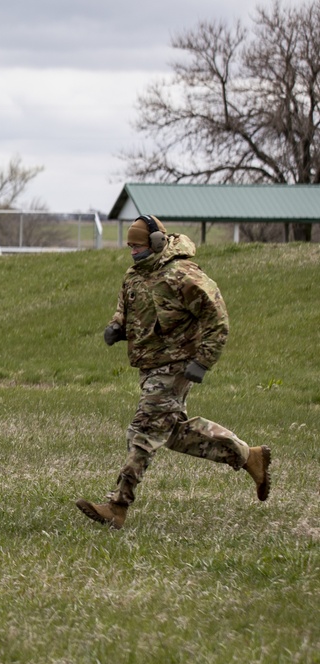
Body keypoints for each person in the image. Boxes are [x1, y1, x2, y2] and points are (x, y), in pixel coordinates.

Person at [76, 214, 271, 529]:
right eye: (129, 246)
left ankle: (117, 506)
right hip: (150, 366)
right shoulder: (134, 276)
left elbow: (217, 318)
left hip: (177, 365)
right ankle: (250, 457)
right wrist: (116, 326)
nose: (132, 251)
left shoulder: (184, 276)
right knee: (175, 434)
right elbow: (125, 307)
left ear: (155, 243)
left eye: (137, 246)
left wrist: (203, 361)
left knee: (144, 431)